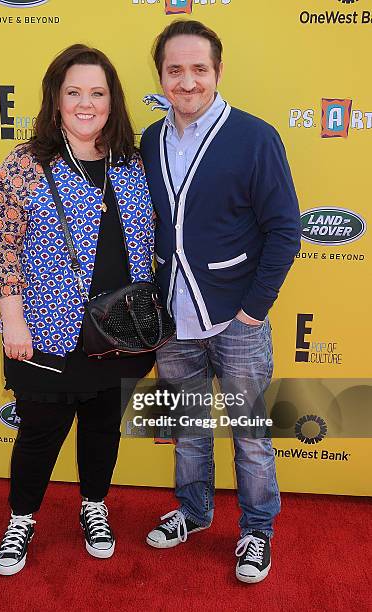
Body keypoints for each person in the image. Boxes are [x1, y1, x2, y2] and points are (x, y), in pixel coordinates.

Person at [0, 44, 155, 574]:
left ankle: (94, 507)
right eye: (73, 92)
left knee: (103, 428)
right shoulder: (26, 164)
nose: (86, 103)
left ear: (112, 100)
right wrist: (13, 317)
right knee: (38, 433)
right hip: (47, 333)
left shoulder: (132, 162)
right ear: (55, 101)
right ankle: (23, 517)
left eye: (97, 93)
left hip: (119, 332)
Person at [140, 20, 301, 583]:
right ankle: (194, 512)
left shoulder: (255, 137)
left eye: (199, 69)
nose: (188, 81)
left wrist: (253, 309)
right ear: (160, 75)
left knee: (251, 437)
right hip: (173, 320)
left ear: (218, 72)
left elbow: (285, 230)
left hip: (237, 319)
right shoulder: (150, 139)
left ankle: (257, 531)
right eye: (175, 70)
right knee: (188, 428)